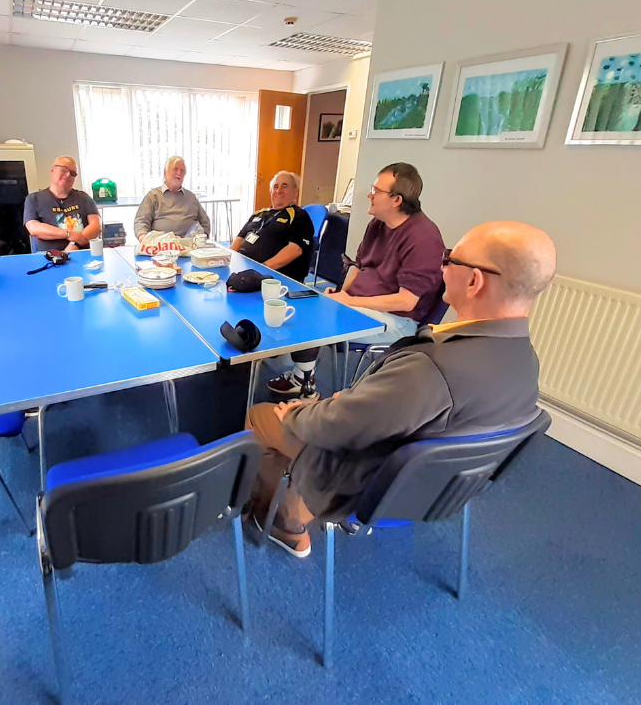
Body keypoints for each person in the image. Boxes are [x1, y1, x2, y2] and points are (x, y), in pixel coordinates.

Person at [245, 221, 557, 558]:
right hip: (436, 487)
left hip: (370, 478)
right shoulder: (526, 360)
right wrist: (358, 402)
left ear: (474, 280)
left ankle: (286, 522)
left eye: (451, 258)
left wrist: (296, 413)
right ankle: (296, 500)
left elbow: (339, 427)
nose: (442, 266)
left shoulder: (432, 367)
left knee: (262, 416)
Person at [267, 162, 445, 400]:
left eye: (376, 191)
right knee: (306, 303)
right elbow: (359, 266)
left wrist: (349, 301)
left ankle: (307, 390)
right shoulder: (378, 224)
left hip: (398, 320)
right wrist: (341, 293)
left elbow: (406, 302)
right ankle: (303, 376)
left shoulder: (423, 237)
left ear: (396, 200)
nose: (370, 195)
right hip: (361, 303)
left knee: (314, 322)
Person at [230, 171, 313, 282]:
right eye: (275, 186)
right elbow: (239, 238)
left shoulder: (299, 215)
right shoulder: (259, 213)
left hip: (269, 275)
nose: (279, 191)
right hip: (244, 269)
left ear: (295, 192)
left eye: (285, 186)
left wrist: (261, 269)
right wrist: (230, 259)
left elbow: (295, 249)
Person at [24, 156, 101, 252]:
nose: (68, 175)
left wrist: (74, 244)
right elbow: (33, 227)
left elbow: (96, 226)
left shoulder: (84, 198)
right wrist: (68, 234)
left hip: (81, 252)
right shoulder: (34, 199)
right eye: (64, 170)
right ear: (53, 170)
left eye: (73, 173)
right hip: (47, 256)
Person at [133, 156, 211, 241]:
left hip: (189, 246)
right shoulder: (153, 196)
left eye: (182, 171)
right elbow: (141, 221)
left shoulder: (191, 197)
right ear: (165, 173)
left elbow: (205, 222)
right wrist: (144, 237)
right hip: (161, 247)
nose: (179, 173)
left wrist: (202, 239)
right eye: (175, 169)